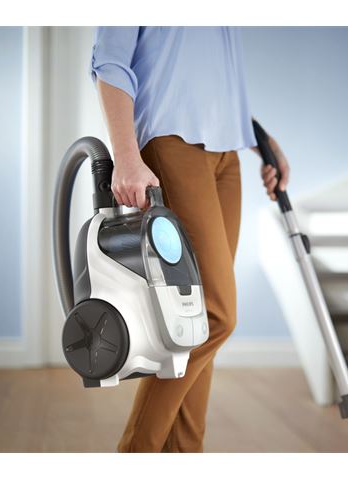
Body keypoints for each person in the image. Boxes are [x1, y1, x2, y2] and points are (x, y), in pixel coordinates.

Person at [90, 26, 290, 453]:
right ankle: (135, 453)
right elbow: (110, 61)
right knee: (215, 315)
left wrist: (260, 139)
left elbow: (209, 77)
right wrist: (125, 156)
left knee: (200, 320)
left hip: (227, 152)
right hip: (172, 141)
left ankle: (185, 454)